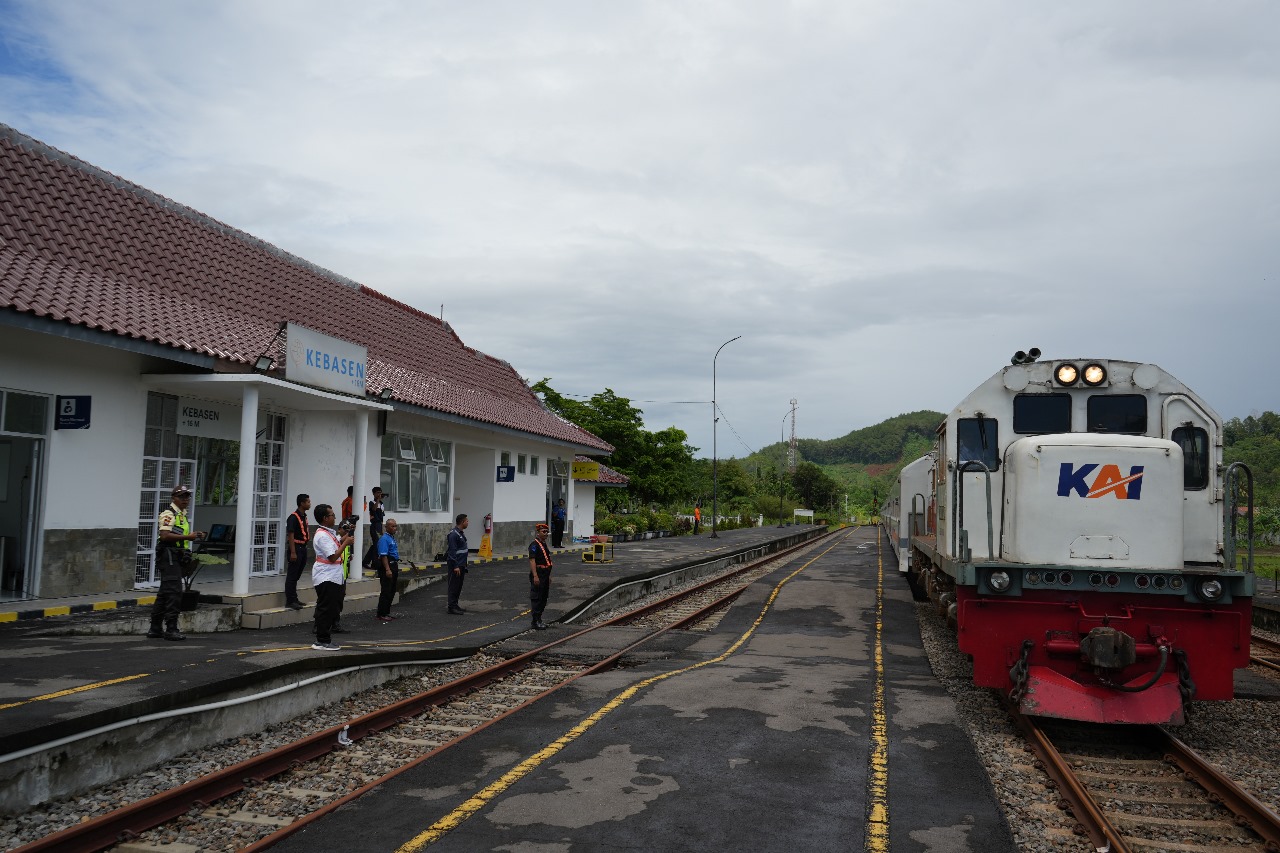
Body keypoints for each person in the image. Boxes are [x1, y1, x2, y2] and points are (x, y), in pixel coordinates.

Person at [148, 485, 206, 641]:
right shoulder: (169, 514)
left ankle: (155, 628)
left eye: (187, 497)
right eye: (181, 497)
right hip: (168, 557)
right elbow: (164, 535)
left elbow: (178, 534)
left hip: (175, 556)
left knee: (164, 593)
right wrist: (188, 537)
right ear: (173, 498)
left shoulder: (181, 515)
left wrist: (195, 535)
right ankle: (171, 629)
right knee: (174, 593)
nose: (185, 500)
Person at [311, 503, 353, 651]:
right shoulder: (322, 535)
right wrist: (346, 543)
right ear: (325, 518)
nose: (335, 518)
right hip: (326, 576)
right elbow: (332, 556)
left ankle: (325, 638)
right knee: (326, 609)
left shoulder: (328, 532)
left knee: (332, 608)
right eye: (332, 515)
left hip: (333, 576)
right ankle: (322, 640)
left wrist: (347, 535)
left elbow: (337, 543)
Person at [284, 494, 311, 610]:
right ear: (302, 503)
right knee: (292, 575)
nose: (309, 504)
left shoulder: (304, 516)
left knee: (297, 575)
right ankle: (290, 601)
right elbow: (291, 535)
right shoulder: (293, 517)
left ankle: (294, 598)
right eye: (308, 502)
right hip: (296, 548)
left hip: (303, 548)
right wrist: (293, 552)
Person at [528, 522, 554, 630]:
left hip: (545, 574)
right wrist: (535, 576)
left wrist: (548, 576)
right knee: (537, 598)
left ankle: (539, 619)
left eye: (547, 532)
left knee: (543, 598)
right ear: (538, 533)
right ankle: (535, 621)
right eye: (543, 531)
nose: (546, 533)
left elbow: (546, 560)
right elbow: (532, 560)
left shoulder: (543, 544)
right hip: (538, 573)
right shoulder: (534, 545)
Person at [376, 518, 401, 622]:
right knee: (386, 591)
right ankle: (381, 613)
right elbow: (383, 555)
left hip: (394, 564)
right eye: (392, 526)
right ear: (386, 527)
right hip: (388, 565)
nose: (394, 528)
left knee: (392, 590)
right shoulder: (384, 539)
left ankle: (386, 612)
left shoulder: (391, 538)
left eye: (395, 526)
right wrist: (387, 569)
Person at [446, 513, 469, 614]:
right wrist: (455, 566)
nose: (468, 523)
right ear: (462, 522)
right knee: (453, 586)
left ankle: (455, 605)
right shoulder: (453, 534)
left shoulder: (460, 533)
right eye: (467, 521)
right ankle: (451, 607)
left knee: (458, 586)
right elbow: (452, 552)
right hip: (456, 565)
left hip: (461, 564)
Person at [362, 486, 385, 570]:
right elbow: (373, 510)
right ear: (374, 493)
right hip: (374, 525)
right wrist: (377, 500)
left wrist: (382, 528)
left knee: (376, 544)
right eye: (377, 493)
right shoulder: (372, 502)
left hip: (379, 525)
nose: (379, 494)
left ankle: (366, 561)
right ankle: (373, 563)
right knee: (376, 544)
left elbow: (382, 516)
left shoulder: (381, 504)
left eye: (380, 492)